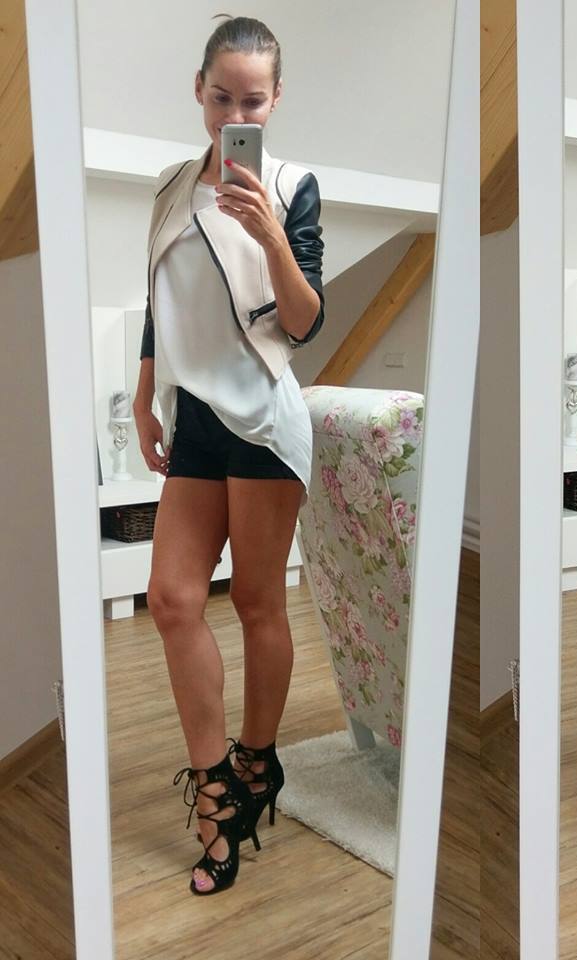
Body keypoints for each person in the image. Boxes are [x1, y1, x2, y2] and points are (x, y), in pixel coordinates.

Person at [132, 15, 325, 896]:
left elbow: (304, 322)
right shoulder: (172, 189)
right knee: (172, 598)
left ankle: (258, 760)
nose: (234, 115)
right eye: (221, 97)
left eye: (252, 100)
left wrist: (271, 234)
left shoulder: (292, 186)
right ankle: (216, 789)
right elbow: (158, 303)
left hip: (262, 421)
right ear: (198, 91)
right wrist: (145, 394)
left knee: (255, 601)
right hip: (195, 419)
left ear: (275, 100)